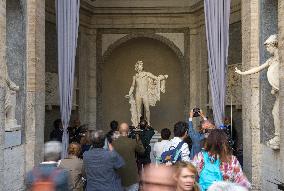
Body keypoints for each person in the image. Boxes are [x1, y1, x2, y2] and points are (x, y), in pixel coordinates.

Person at [235, 34, 280, 149]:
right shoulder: (271, 60)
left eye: (268, 47)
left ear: (274, 45)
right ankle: (278, 136)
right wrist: (243, 73)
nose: (267, 49)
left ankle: (278, 136)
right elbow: (257, 69)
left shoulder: (280, 59)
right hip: (278, 94)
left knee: (276, 112)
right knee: (275, 112)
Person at [125, 60, 168, 126]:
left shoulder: (147, 74)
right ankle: (138, 125)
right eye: (140, 65)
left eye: (142, 65)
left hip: (145, 93)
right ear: (137, 66)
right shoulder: (135, 76)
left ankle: (148, 123)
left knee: (147, 109)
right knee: (138, 111)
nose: (142, 66)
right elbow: (133, 86)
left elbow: (156, 78)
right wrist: (129, 93)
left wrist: (163, 77)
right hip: (138, 94)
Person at [112, 122, 145, 191]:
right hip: (132, 177)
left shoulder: (113, 143)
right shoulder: (133, 142)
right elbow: (142, 151)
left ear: (119, 131)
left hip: (118, 176)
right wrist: (138, 139)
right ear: (128, 131)